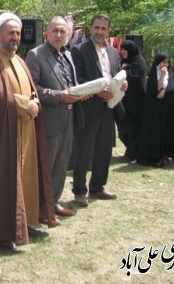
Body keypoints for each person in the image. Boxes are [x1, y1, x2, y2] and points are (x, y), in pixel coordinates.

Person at [0, 12, 57, 249]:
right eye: (10, 32)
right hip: (7, 134)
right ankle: (4, 230)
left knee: (29, 177)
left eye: (18, 33)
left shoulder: (21, 60)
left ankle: (27, 222)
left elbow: (31, 91)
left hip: (27, 131)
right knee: (7, 179)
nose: (15, 37)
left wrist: (33, 104)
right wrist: (25, 105)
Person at [26, 16, 84, 218]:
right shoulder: (35, 55)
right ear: (46, 33)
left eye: (63, 31)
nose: (59, 35)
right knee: (47, 165)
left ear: (67, 35)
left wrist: (81, 92)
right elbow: (32, 89)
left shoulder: (67, 55)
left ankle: (54, 201)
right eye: (55, 31)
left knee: (61, 164)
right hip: (49, 120)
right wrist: (60, 96)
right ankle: (41, 206)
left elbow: (71, 83)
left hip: (69, 118)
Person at [70, 14, 127, 207]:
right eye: (97, 28)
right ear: (90, 28)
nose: (100, 32)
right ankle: (79, 191)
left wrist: (121, 85)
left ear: (109, 30)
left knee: (104, 149)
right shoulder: (78, 50)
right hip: (88, 106)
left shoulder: (113, 52)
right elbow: (77, 79)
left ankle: (98, 187)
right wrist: (97, 92)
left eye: (104, 28)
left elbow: (114, 75)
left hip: (109, 107)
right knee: (84, 150)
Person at [137, 54, 174, 166]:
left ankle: (165, 156)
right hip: (155, 110)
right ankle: (154, 156)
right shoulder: (154, 74)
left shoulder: (171, 75)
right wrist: (162, 76)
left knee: (166, 132)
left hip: (168, 110)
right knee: (154, 133)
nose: (165, 64)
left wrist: (166, 87)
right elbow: (156, 91)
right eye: (163, 62)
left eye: (167, 62)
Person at [117, 40, 147, 161]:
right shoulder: (123, 62)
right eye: (122, 49)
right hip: (124, 100)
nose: (123, 51)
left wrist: (126, 69)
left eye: (125, 49)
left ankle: (134, 151)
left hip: (136, 102)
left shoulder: (139, 62)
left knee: (133, 127)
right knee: (123, 128)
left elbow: (135, 77)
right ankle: (130, 149)